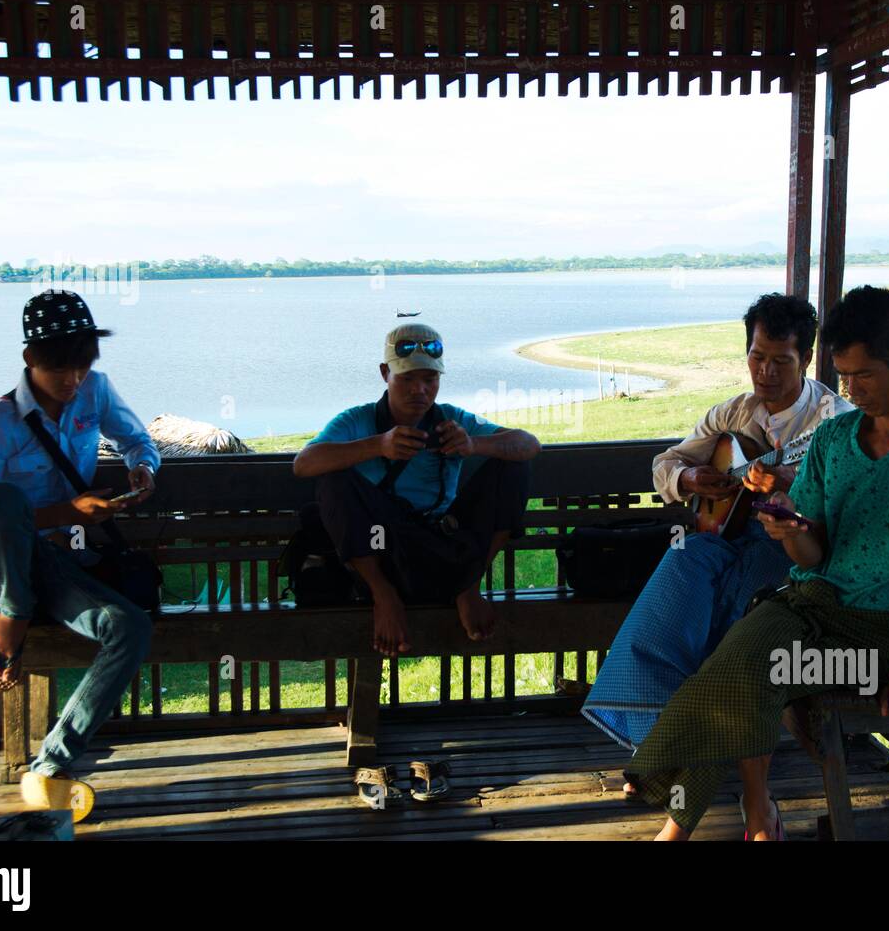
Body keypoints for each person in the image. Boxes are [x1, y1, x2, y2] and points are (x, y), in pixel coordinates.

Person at [624, 285, 889, 841]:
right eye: (843, 376)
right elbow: (812, 552)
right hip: (802, 603)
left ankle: (676, 812)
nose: (851, 390)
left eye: (863, 376)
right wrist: (788, 530)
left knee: (750, 672)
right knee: (734, 665)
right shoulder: (834, 439)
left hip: (869, 641)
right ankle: (717, 817)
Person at [581, 293, 851, 829]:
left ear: (807, 359)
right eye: (757, 356)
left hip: (788, 553)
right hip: (722, 542)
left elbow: (841, 497)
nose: (766, 372)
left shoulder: (832, 422)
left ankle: (734, 787)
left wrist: (789, 484)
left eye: (782, 361)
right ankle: (660, 743)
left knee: (736, 624)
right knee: (669, 601)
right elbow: (668, 462)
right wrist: (691, 479)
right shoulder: (733, 414)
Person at [0, 290, 160, 822]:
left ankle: (49, 765)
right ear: (30, 359)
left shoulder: (96, 393)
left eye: (82, 365)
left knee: (129, 627)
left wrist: (143, 468)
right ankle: (13, 611)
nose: (72, 380)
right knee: (1, 500)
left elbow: (138, 440)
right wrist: (65, 511)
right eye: (59, 366)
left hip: (53, 566)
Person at [292, 323, 540, 655]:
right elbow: (304, 463)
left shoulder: (450, 419)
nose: (419, 390)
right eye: (407, 379)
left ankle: (468, 585)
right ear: (385, 374)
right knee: (333, 480)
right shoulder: (356, 421)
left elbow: (528, 444)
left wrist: (473, 443)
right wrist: (378, 445)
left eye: (429, 380)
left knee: (513, 465)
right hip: (384, 548)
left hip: (448, 547)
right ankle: (384, 596)